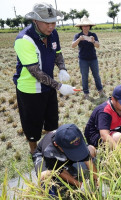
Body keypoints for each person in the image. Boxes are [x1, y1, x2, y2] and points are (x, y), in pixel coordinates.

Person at [13, 3, 74, 154]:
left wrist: (62, 68)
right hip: (30, 90)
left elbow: (57, 52)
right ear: (35, 21)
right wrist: (59, 86)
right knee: (32, 126)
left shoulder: (53, 34)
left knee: (52, 122)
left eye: (53, 22)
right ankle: (34, 152)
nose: (51, 26)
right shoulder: (24, 39)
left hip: (49, 87)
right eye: (47, 23)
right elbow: (35, 72)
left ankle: (50, 149)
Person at [32, 124, 98, 194]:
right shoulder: (49, 150)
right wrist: (81, 185)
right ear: (56, 144)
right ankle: (52, 194)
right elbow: (59, 171)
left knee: (91, 149)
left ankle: (69, 167)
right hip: (45, 157)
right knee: (45, 176)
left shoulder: (74, 135)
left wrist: (98, 179)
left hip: (63, 155)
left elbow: (87, 158)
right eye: (70, 150)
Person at [72, 16, 104, 99]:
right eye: (84, 26)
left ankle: (100, 90)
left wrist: (93, 41)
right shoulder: (78, 35)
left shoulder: (93, 35)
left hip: (93, 58)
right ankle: (86, 92)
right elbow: (73, 45)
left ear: (90, 26)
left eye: (87, 26)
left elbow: (98, 46)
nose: (85, 27)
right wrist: (79, 39)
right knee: (84, 76)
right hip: (83, 59)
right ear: (81, 27)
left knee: (96, 75)